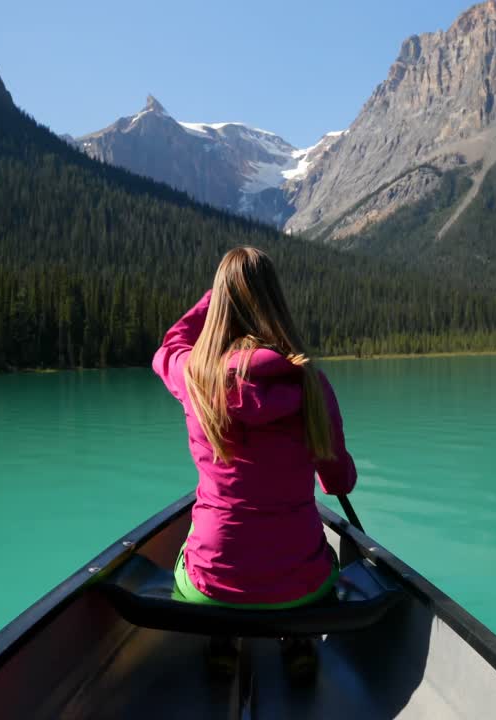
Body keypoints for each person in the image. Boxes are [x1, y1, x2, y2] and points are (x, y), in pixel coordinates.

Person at [152, 246, 357, 681]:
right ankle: (297, 640)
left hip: (210, 588)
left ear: (222, 307)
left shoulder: (195, 377)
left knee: (199, 534)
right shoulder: (312, 385)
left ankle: (222, 641)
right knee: (310, 556)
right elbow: (339, 480)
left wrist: (215, 296)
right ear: (275, 304)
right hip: (302, 589)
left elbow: (167, 347)